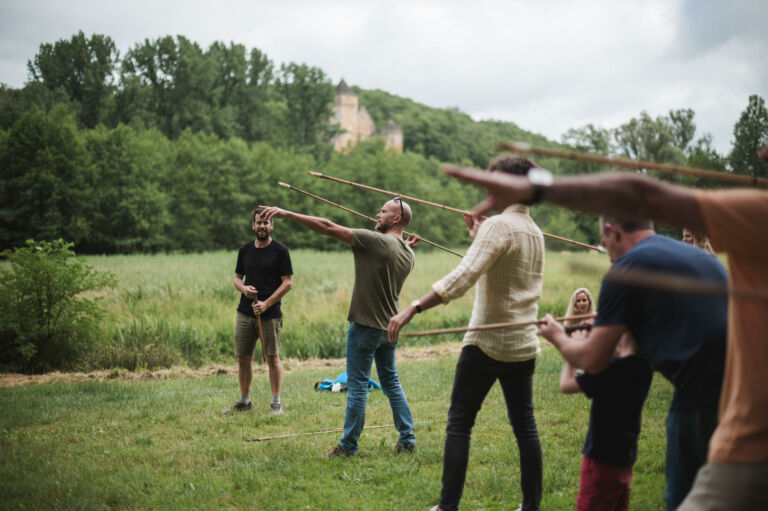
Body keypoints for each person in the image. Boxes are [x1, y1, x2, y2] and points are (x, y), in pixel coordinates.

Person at [445, 144, 768, 510]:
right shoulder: (699, 257)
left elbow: (593, 362)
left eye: (604, 242)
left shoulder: (628, 268)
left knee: (683, 498)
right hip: (729, 395)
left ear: (613, 231)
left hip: (716, 411)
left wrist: (558, 337)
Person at [388, 156, 545, 511]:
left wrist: (412, 307)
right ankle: (532, 507)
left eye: (492, 181)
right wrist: (478, 236)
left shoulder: (500, 226)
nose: (486, 188)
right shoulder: (532, 230)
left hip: (486, 344)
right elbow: (499, 265)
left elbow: (461, 278)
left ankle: (447, 506)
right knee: (525, 426)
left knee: (459, 423)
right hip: (523, 345)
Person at [259, 198, 419, 457]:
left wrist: (287, 213)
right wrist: (407, 245)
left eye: (384, 211)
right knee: (391, 382)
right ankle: (407, 440)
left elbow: (328, 227)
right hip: (389, 328)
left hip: (366, 326)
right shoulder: (409, 253)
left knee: (357, 386)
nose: (377, 214)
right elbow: (398, 251)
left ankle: (348, 446)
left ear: (397, 219)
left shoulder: (377, 241)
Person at [560, 330, 653, 511]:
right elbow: (617, 355)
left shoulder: (614, 372)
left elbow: (566, 384)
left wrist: (573, 350)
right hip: (625, 459)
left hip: (601, 462)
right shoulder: (644, 364)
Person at [227, 208, 293, 415]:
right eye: (259, 223)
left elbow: (288, 283)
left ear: (272, 225)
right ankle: (244, 401)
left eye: (266, 223)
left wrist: (266, 304)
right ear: (253, 226)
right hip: (244, 313)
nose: (262, 226)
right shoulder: (245, 250)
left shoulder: (280, 251)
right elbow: (237, 278)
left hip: (270, 315)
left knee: (272, 358)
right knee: (243, 358)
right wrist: (244, 288)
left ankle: (276, 404)